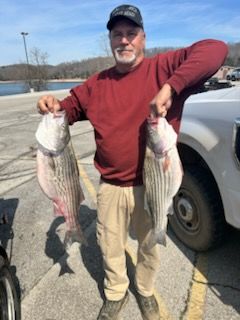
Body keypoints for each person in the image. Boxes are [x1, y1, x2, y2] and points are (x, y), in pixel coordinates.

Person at [37, 4, 228, 320]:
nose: (124, 41)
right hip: (110, 186)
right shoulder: (97, 83)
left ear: (143, 38)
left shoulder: (164, 68)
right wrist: (53, 104)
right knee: (109, 247)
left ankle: (146, 289)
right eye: (117, 35)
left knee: (148, 247)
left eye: (131, 33)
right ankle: (115, 293)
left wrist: (170, 86)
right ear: (111, 41)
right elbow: (68, 109)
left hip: (151, 184)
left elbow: (216, 50)